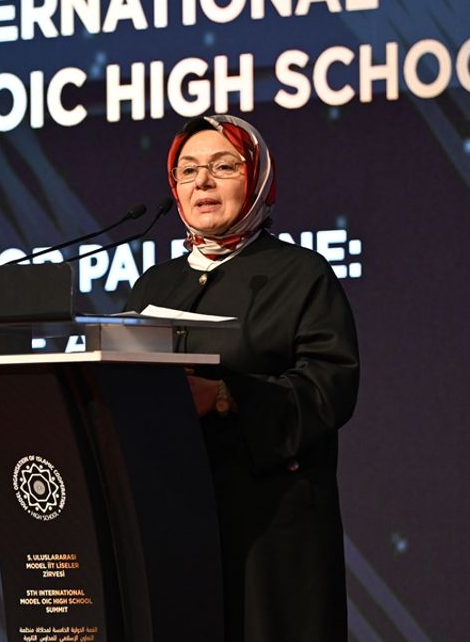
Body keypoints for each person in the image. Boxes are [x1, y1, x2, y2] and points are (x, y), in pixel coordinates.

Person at [124, 115, 359, 641]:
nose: (202, 182)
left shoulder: (301, 274)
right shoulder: (154, 285)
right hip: (175, 522)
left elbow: (330, 385)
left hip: (270, 529)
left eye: (223, 166)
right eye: (188, 171)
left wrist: (225, 396)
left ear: (256, 179)